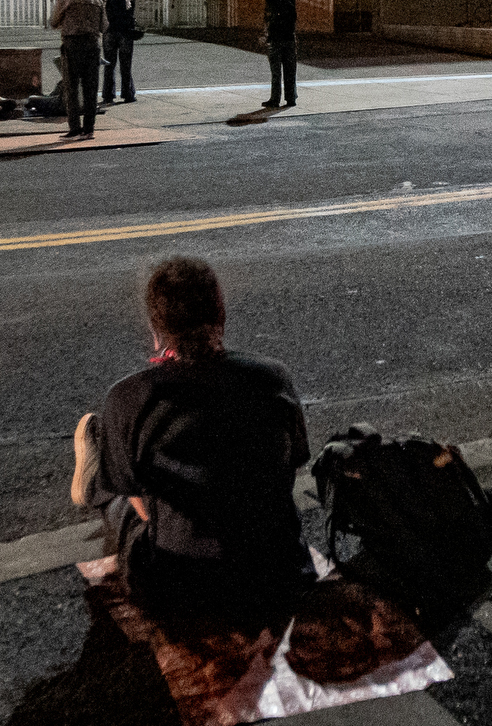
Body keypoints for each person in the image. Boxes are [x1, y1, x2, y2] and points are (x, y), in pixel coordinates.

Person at [70, 256, 313, 623]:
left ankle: (95, 480)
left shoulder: (129, 397)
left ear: (156, 330)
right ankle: (104, 469)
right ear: (221, 315)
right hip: (279, 578)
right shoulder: (273, 379)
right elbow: (290, 465)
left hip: (177, 591)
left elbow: (145, 510)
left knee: (119, 496)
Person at [51, 0, 106, 138]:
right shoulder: (97, 1)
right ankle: (89, 129)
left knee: (72, 89)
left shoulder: (65, 0)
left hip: (72, 45)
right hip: (92, 45)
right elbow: (104, 26)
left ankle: (75, 128)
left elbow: (53, 23)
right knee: (91, 88)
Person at [102, 0, 140, 105]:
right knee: (126, 65)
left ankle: (108, 95)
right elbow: (131, 12)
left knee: (109, 65)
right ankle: (128, 93)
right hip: (125, 32)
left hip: (109, 33)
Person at [263, 0, 299, 107]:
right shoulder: (291, 0)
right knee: (290, 70)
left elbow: (267, 19)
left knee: (276, 72)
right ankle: (291, 98)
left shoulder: (271, 0)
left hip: (275, 39)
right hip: (290, 39)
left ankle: (275, 99)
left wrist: (266, 35)